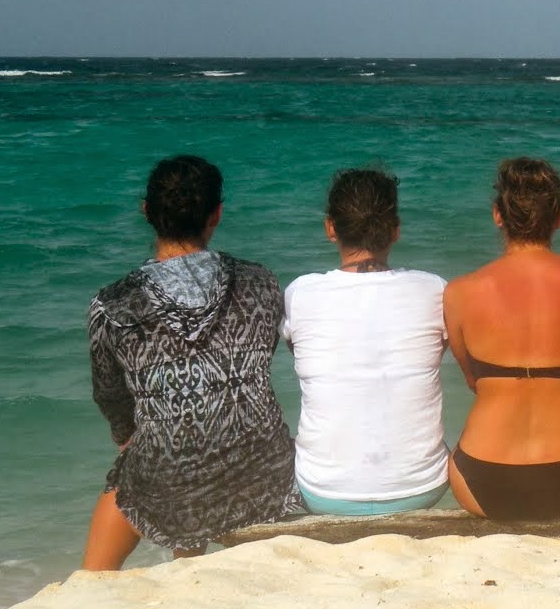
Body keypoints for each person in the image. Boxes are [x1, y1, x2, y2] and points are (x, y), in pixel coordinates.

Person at [83, 156, 302, 570]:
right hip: (260, 468)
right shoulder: (262, 282)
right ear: (216, 214)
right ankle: (187, 556)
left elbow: (109, 393)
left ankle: (93, 580)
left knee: (131, 469)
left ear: (146, 211)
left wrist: (126, 433)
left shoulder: (112, 303)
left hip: (169, 475)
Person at [444, 158, 560, 521]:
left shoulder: (458, 293)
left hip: (479, 475)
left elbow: (473, 381)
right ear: (559, 217)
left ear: (497, 215)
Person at [282, 168, 449, 515]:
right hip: (422, 486)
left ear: (331, 228)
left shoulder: (301, 293)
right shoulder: (435, 290)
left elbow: (298, 351)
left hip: (323, 491)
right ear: (395, 230)